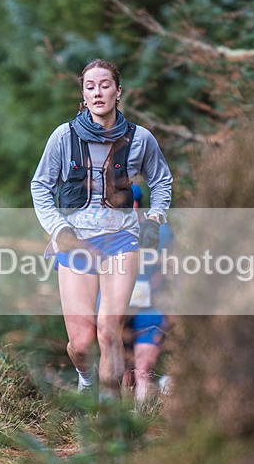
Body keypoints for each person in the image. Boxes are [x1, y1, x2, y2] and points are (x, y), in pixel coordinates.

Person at [31, 59, 173, 400]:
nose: (97, 92)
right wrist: (59, 230)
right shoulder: (63, 137)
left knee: (109, 330)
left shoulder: (140, 139)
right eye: (90, 86)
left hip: (122, 240)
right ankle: (86, 378)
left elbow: (162, 181)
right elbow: (40, 186)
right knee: (81, 343)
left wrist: (155, 219)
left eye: (105, 85)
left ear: (118, 91)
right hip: (75, 242)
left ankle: (109, 410)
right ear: (83, 95)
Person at [123, 184, 174, 407]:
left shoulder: (162, 232)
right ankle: (121, 419)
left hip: (150, 309)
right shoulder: (110, 232)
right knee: (123, 372)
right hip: (119, 311)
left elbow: (172, 269)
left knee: (143, 369)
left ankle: (141, 418)